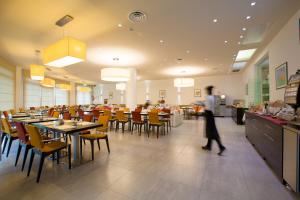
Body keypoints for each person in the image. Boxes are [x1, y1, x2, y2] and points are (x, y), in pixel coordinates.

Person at [202, 86, 226, 155]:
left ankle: (221, 147)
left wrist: (202, 104)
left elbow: (206, 107)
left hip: (209, 115)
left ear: (208, 91)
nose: (206, 92)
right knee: (210, 132)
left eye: (206, 90)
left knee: (212, 132)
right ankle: (208, 146)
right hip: (211, 115)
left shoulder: (208, 97)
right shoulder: (212, 97)